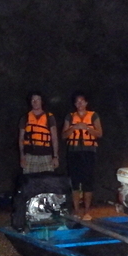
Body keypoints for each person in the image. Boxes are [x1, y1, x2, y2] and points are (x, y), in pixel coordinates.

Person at [61, 93, 103, 221]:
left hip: (89, 152)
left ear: (86, 103)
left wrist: (87, 129)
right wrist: (74, 128)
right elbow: (63, 135)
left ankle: (87, 211)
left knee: (88, 182)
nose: (79, 104)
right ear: (75, 104)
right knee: (74, 182)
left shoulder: (93, 116)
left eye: (82, 101)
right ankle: (76, 211)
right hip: (73, 152)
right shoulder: (70, 117)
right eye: (77, 102)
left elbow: (99, 133)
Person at [18, 92, 59, 173]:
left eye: (37, 100)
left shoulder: (49, 117)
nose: (35, 102)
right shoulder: (25, 117)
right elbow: (21, 139)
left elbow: (54, 138)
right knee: (30, 182)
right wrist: (22, 156)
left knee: (47, 181)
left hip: (46, 155)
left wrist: (55, 156)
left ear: (41, 102)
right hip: (29, 155)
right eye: (33, 100)